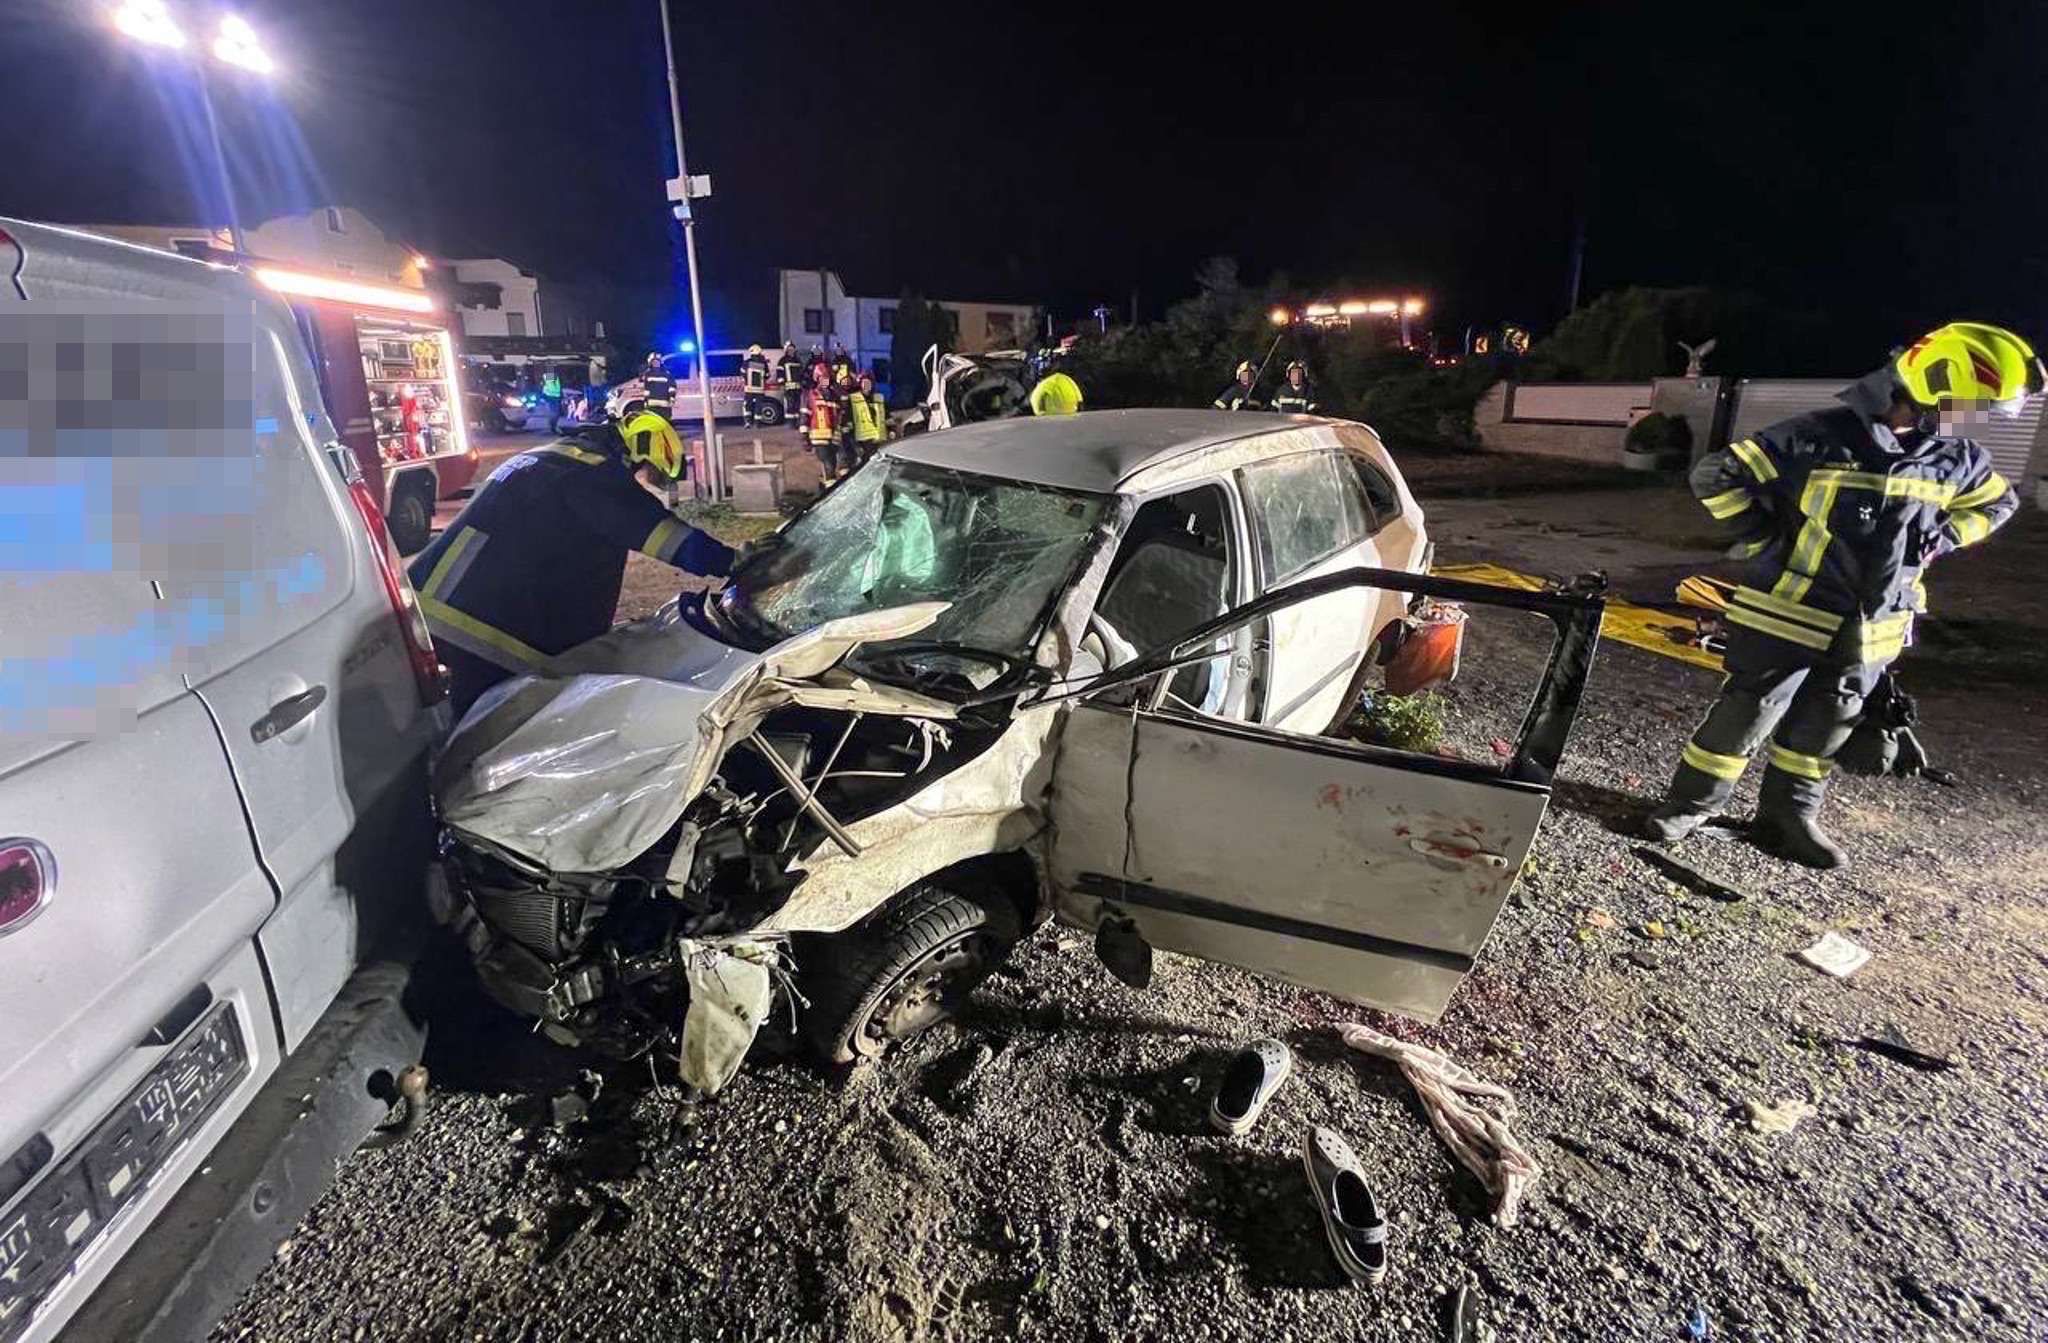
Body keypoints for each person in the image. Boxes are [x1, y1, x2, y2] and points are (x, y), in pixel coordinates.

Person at [1642, 322, 2030, 868]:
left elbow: (1998, 504)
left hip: (1876, 626)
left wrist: (1945, 536)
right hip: (1788, 610)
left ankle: (1790, 818)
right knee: (1747, 713)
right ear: (1931, 386)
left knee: (1829, 722)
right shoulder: (1820, 435)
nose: (1976, 418)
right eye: (1972, 403)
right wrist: (1762, 534)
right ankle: (1690, 806)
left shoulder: (1957, 459)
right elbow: (1718, 475)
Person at [407, 411, 736, 718]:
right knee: (494, 724)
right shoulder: (591, 474)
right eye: (644, 473)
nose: (638, 481)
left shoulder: (556, 457)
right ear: (638, 452)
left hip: (438, 600)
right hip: (480, 620)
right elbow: (663, 535)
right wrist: (733, 561)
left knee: (453, 713)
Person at [803, 360, 845, 483]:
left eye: (827, 378)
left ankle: (823, 486)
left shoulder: (835, 396)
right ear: (817, 379)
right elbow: (805, 416)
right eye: (822, 378)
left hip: (834, 438)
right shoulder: (811, 395)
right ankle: (830, 491)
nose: (825, 381)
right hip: (819, 438)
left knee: (832, 464)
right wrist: (805, 438)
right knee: (829, 466)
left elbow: (840, 416)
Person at [846, 369, 889, 464]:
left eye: (869, 383)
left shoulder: (879, 397)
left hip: (879, 437)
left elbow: (886, 415)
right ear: (860, 384)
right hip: (863, 438)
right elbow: (849, 417)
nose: (867, 385)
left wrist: (891, 429)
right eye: (864, 382)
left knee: (879, 462)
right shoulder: (853, 398)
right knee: (866, 462)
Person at [741, 343, 771, 425]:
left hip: (749, 389)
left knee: (747, 405)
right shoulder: (763, 363)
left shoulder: (747, 362)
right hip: (760, 389)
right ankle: (758, 423)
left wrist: (747, 381)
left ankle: (748, 422)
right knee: (759, 406)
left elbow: (743, 373)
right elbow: (767, 375)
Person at [777, 341, 805, 424]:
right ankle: (791, 422)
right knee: (790, 405)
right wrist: (782, 383)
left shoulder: (797, 360)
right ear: (786, 350)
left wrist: (803, 382)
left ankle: (796, 421)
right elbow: (780, 372)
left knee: (797, 405)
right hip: (788, 387)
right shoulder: (782, 360)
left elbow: (801, 372)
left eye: (792, 349)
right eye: (789, 349)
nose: (791, 351)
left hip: (798, 387)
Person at [640, 352, 675, 420]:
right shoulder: (666, 373)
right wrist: (672, 398)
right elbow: (647, 389)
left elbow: (671, 388)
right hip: (659, 403)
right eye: (654, 361)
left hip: (658, 403)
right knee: (662, 422)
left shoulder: (648, 373)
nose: (655, 363)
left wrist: (672, 398)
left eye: (656, 361)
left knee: (656, 422)